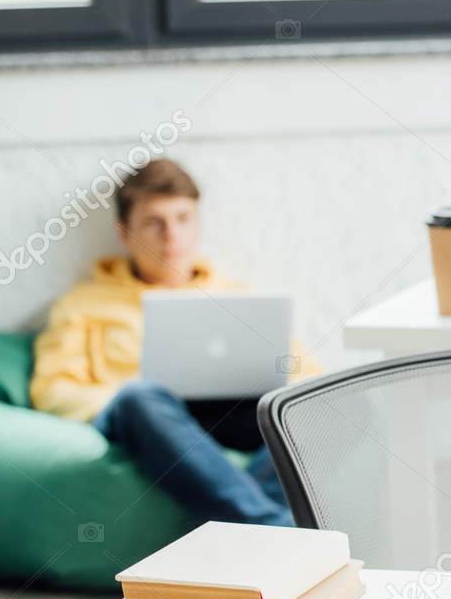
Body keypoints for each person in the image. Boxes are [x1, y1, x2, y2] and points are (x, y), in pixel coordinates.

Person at [30, 158, 318, 526]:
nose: (171, 236)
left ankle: (254, 516)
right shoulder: (84, 304)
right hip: (147, 420)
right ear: (124, 231)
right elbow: (52, 391)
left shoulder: (239, 299)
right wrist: (124, 397)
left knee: (317, 409)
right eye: (154, 223)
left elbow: (308, 377)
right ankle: (273, 525)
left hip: (229, 418)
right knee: (141, 396)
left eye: (183, 219)